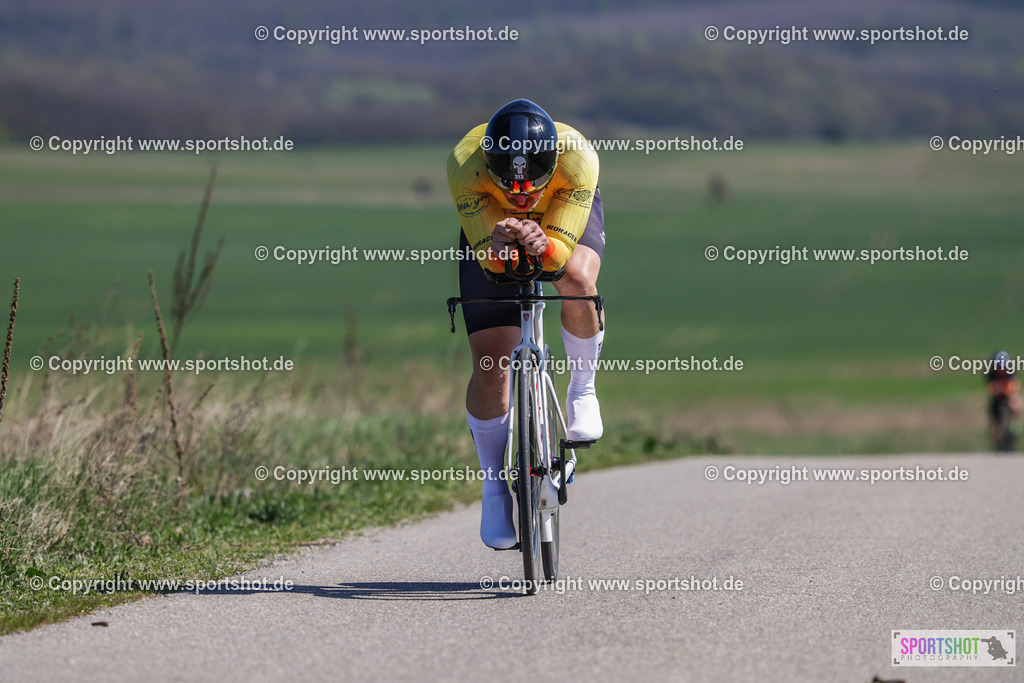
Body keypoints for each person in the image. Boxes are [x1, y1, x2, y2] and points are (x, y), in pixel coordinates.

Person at [446, 99, 605, 549]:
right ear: (489, 165)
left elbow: (556, 260)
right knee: (492, 357)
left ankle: (582, 390)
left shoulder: (577, 159)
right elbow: (493, 266)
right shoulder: (465, 165)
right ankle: (494, 489)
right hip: (488, 217)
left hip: (562, 209)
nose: (520, 196)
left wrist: (546, 242)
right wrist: (498, 244)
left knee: (575, 275)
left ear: (551, 163)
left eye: (529, 183)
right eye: (509, 185)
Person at [985, 350, 1021, 451]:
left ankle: (1015, 426)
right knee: (995, 418)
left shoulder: (1011, 372)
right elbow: (991, 389)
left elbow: (1015, 386)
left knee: (1014, 402)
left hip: (1009, 395)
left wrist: (1010, 393)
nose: (1002, 369)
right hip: (997, 398)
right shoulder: (991, 373)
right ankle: (998, 442)